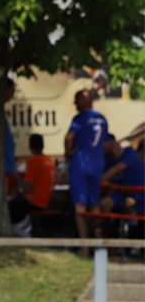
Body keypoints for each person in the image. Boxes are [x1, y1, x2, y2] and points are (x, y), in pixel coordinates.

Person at [65, 88, 108, 252]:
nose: (74, 103)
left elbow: (69, 138)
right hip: (97, 164)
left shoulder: (79, 118)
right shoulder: (102, 118)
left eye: (77, 99)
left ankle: (84, 247)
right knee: (94, 204)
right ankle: (98, 245)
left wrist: (68, 153)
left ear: (86, 99)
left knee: (80, 206)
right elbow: (104, 143)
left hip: (80, 164)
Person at [9, 134, 56, 237]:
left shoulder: (33, 161)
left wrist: (19, 179)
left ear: (30, 147)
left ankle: (21, 236)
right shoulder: (50, 161)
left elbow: (27, 188)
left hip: (34, 202)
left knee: (8, 208)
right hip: (47, 202)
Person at [99, 133, 145, 223]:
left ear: (111, 143)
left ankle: (131, 233)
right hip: (120, 194)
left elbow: (116, 169)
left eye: (102, 143)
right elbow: (106, 179)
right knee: (103, 204)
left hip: (139, 194)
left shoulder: (129, 152)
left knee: (127, 204)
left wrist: (98, 181)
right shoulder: (108, 160)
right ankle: (109, 232)